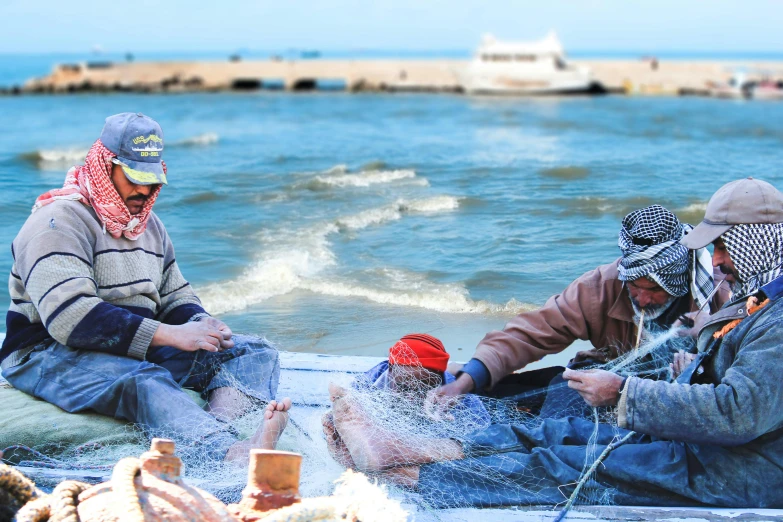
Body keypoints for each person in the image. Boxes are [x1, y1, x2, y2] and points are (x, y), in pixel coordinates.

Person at [325, 178, 783, 508]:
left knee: (566, 465)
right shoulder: (753, 299)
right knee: (549, 430)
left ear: (754, 244)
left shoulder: (752, 307)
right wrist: (467, 381)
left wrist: (625, 392)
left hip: (741, 469)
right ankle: (401, 450)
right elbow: (533, 331)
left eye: (724, 247)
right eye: (716, 248)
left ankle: (411, 474)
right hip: (690, 431)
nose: (717, 258)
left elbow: (739, 414)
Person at [0, 113, 290, 463]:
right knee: (144, 381)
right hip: (48, 352)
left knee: (253, 351)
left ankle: (217, 428)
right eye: (134, 178)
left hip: (128, 345)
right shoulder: (57, 222)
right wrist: (170, 334)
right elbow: (70, 319)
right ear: (105, 167)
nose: (145, 190)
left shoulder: (148, 226)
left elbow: (174, 293)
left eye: (152, 180)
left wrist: (201, 323)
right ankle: (225, 452)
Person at [428, 205, 728, 416]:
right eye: (634, 285)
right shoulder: (602, 285)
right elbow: (529, 335)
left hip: (671, 399)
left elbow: (740, 379)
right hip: (602, 379)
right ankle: (468, 376)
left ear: (676, 280)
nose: (642, 298)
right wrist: (465, 384)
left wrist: (703, 364)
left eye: (654, 289)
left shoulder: (718, 296)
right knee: (557, 401)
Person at [322, 334, 489, 468]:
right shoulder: (371, 381)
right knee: (346, 414)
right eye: (403, 387)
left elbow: (482, 430)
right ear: (390, 370)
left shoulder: (457, 393)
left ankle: (386, 460)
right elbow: (351, 417)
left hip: (424, 441)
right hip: (383, 433)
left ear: (439, 378)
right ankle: (358, 455)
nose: (410, 396)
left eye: (421, 388)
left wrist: (449, 424)